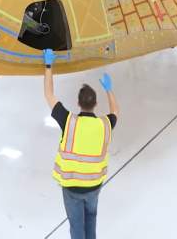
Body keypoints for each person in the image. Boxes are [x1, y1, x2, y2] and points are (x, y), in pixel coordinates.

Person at [43, 49, 119, 239]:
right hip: (94, 186)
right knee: (91, 220)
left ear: (78, 103)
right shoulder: (105, 124)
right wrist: (109, 89)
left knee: (77, 227)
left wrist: (48, 65)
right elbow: (116, 111)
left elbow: (49, 94)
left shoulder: (69, 121)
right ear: (95, 104)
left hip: (72, 187)